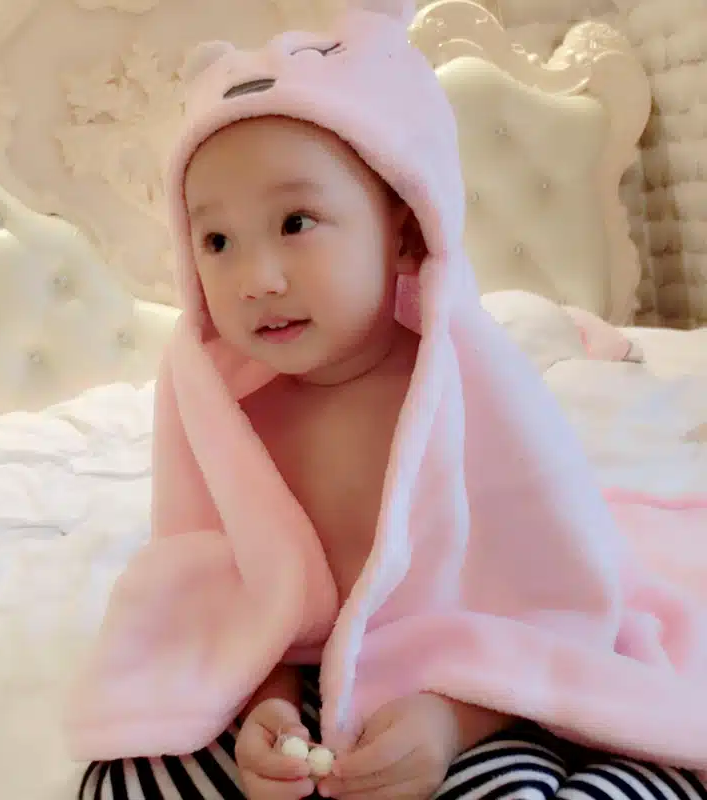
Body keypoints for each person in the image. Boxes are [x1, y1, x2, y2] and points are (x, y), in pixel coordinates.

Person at [69, 1, 707, 798]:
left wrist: (450, 720)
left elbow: (550, 601)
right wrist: (267, 705)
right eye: (217, 241)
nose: (255, 278)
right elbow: (222, 582)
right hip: (304, 668)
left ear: (403, 234)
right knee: (129, 775)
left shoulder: (472, 390)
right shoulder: (219, 404)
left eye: (296, 222)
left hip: (473, 680)